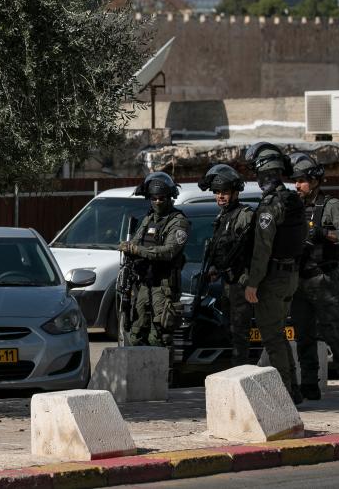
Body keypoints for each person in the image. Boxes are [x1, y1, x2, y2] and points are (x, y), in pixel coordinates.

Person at [289, 152, 339, 403]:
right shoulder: (294, 207)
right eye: (295, 180)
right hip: (299, 280)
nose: (297, 185)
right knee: (303, 336)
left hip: (323, 279)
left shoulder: (332, 205)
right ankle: (309, 385)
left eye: (302, 180)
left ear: (315, 181)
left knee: (335, 334)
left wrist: (323, 233)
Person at [243, 142, 307, 404]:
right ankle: (295, 388)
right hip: (291, 275)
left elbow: (262, 249)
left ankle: (286, 394)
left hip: (273, 278)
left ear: (264, 175)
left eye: (259, 176)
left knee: (271, 337)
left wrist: (253, 283)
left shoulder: (271, 205)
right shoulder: (292, 199)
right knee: (279, 334)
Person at [118, 171, 192, 348]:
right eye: (154, 198)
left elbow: (168, 251)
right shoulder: (148, 219)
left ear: (170, 198)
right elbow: (135, 243)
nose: (158, 202)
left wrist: (137, 249)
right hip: (144, 284)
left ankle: (163, 374)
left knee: (159, 336)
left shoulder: (179, 221)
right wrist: (129, 247)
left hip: (164, 287)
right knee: (136, 331)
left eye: (162, 198)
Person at [198, 164, 255, 368]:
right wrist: (214, 270)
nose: (221, 196)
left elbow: (249, 249)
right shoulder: (222, 217)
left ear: (235, 193)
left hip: (242, 281)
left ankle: (240, 372)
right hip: (228, 283)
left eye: (225, 192)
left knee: (240, 333)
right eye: (218, 193)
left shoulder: (244, 215)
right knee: (229, 330)